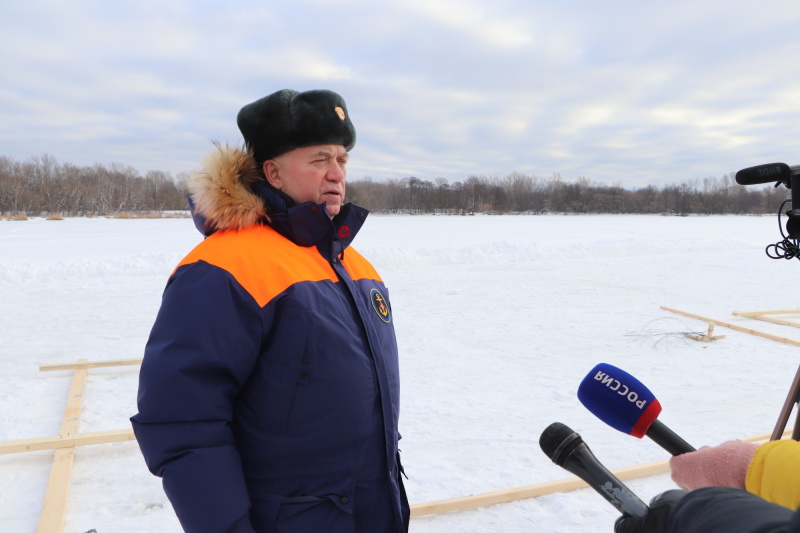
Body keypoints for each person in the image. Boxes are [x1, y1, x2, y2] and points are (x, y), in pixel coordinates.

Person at [130, 89, 410, 533]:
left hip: (371, 510)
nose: (337, 173)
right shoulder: (223, 268)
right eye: (319, 160)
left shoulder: (353, 265)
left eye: (342, 159)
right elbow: (183, 421)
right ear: (273, 172)